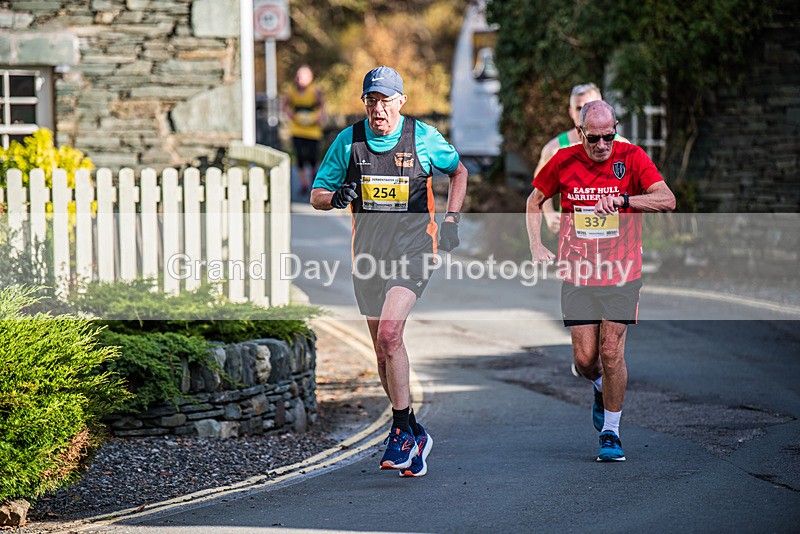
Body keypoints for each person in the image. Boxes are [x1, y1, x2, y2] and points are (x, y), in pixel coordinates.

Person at [310, 66, 468, 477]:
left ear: (401, 100)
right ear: (364, 103)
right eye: (371, 100)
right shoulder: (349, 141)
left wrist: (451, 220)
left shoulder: (424, 138)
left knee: (389, 334)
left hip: (415, 249)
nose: (378, 108)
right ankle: (414, 429)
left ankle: (399, 431)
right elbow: (317, 195)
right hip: (368, 257)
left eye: (385, 100)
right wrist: (337, 196)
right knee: (383, 352)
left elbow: (459, 171)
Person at [526, 100, 675, 461]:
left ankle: (611, 433)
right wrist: (536, 246)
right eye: (594, 138)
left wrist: (625, 200)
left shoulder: (633, 156)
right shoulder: (563, 161)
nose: (602, 145)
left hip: (622, 271)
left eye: (609, 136)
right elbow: (534, 201)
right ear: (580, 133)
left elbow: (667, 199)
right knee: (585, 360)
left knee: (611, 351)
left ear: (615, 128)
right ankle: (598, 386)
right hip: (577, 272)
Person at [533, 83, 628, 233]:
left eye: (590, 106)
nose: (585, 112)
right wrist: (549, 214)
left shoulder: (622, 146)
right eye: (579, 108)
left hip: (614, 235)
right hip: (573, 236)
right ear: (571, 112)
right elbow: (540, 185)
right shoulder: (555, 149)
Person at [282, 65, 326, 194]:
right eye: (299, 76)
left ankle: (314, 175)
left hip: (313, 132)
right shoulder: (292, 93)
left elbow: (322, 107)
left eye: (304, 77)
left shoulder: (315, 92)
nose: (301, 79)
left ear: (310, 78)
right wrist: (292, 116)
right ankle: (304, 184)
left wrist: (317, 117)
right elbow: (284, 105)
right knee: (300, 158)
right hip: (297, 130)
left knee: (312, 157)